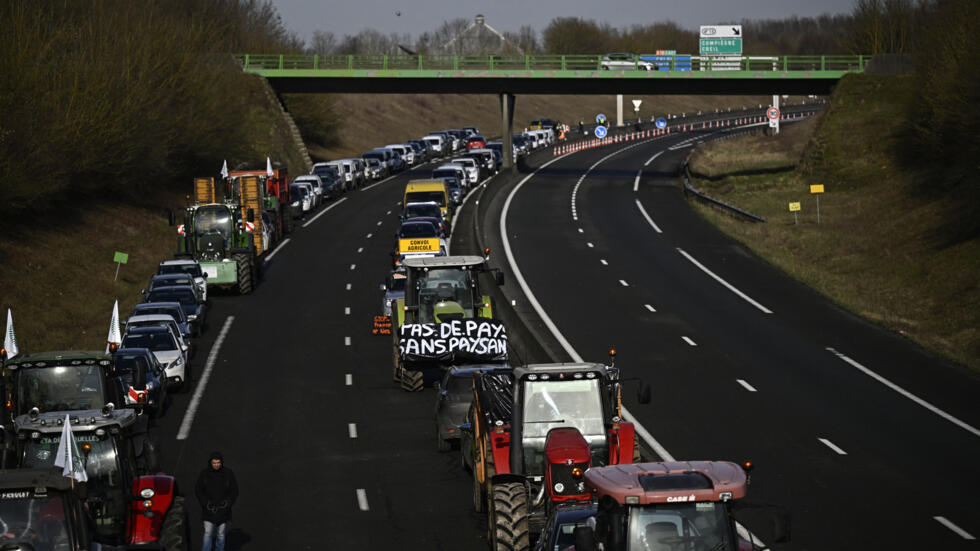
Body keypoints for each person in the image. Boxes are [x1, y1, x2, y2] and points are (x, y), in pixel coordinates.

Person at [196, 451, 238, 551]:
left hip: (223, 511)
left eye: (218, 462)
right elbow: (198, 490)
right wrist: (206, 503)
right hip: (208, 510)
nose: (216, 465)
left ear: (221, 462)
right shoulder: (204, 474)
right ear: (210, 462)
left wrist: (227, 503)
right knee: (208, 533)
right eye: (214, 463)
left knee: (221, 534)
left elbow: (234, 490)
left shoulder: (228, 473)